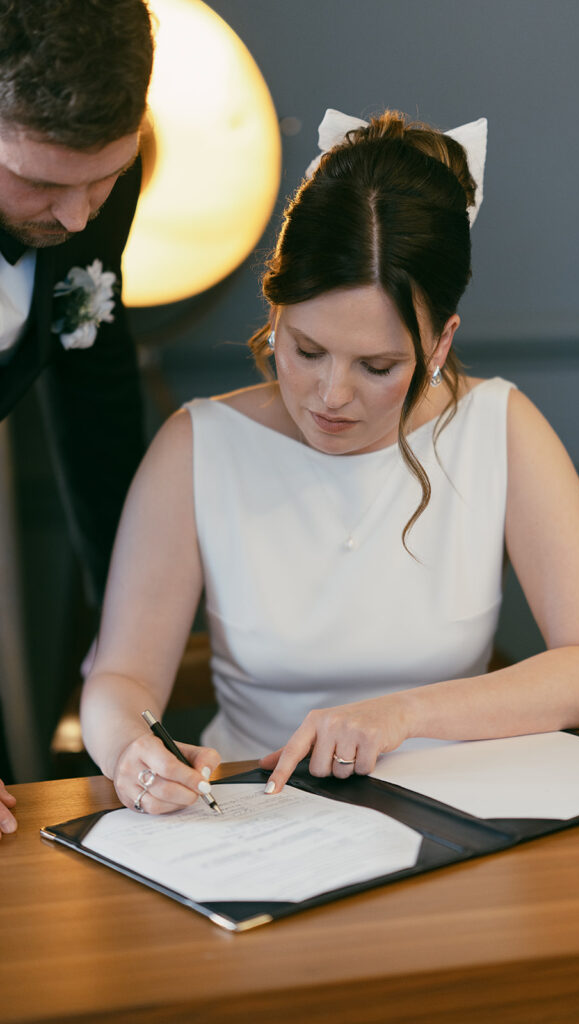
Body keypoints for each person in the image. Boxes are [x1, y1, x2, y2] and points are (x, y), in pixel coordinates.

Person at [80, 109, 579, 817]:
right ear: (275, 311)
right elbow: (119, 677)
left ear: (439, 345)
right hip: (261, 823)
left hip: (456, 818)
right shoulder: (196, 446)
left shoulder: (499, 427)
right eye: (306, 350)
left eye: (376, 365)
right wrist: (131, 750)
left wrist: (404, 714)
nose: (331, 395)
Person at [0, 0, 154, 827]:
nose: (78, 218)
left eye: (106, 176)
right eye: (41, 181)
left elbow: (94, 392)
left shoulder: (94, 195)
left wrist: (124, 623)